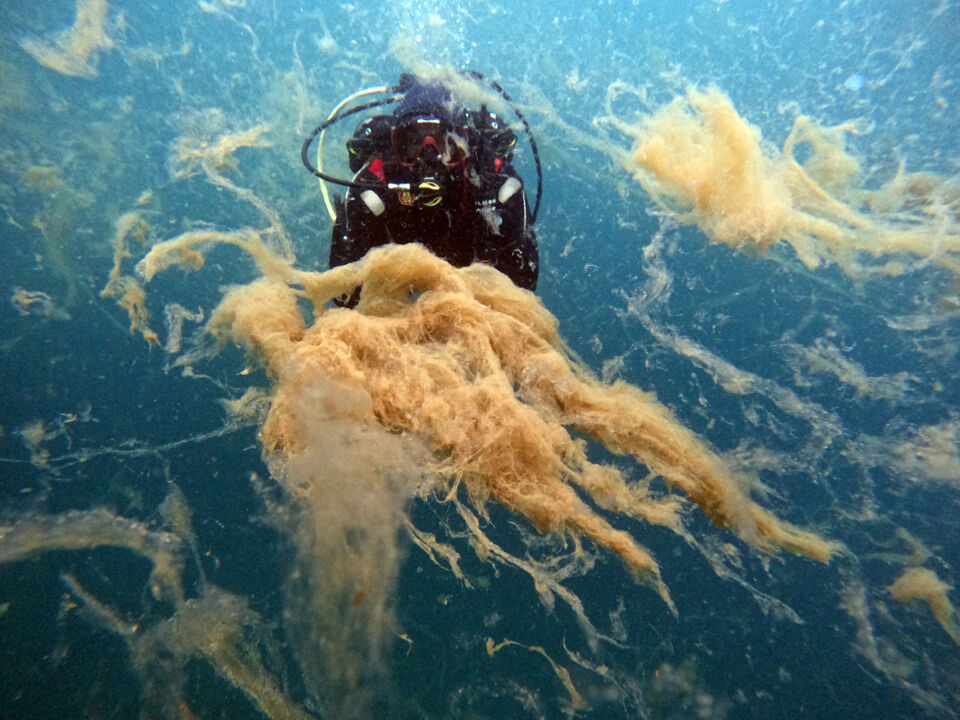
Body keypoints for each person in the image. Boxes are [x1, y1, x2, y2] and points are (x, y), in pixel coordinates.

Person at [326, 74, 539, 306]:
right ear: (396, 145)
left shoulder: (492, 181)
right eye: (412, 142)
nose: (429, 155)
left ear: (464, 143)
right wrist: (352, 240)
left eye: (444, 141)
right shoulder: (375, 183)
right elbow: (344, 295)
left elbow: (523, 287)